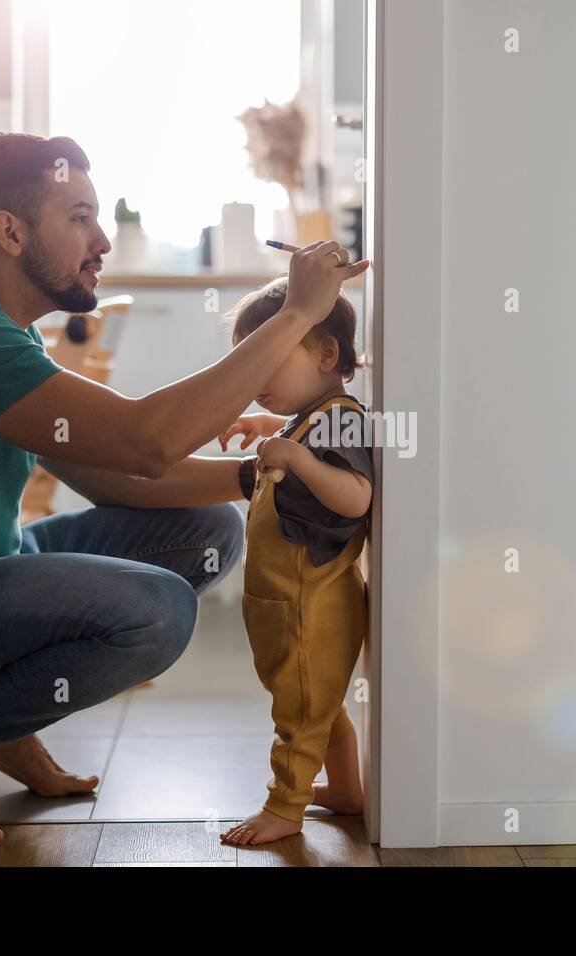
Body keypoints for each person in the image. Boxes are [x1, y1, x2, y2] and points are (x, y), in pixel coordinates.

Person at [0, 133, 369, 850]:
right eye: (79, 217)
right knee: (154, 609)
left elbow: (107, 475)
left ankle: (0, 725)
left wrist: (254, 476)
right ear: (9, 231)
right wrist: (294, 316)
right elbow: (145, 442)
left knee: (211, 529)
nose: (101, 240)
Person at [215, 278, 373, 846]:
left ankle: (285, 807)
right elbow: (306, 444)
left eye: (266, 365)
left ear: (326, 352)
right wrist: (273, 431)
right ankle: (349, 790)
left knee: (302, 711)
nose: (253, 383)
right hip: (290, 601)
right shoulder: (317, 416)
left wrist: (297, 459)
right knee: (321, 706)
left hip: (315, 602)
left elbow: (356, 496)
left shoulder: (342, 417)